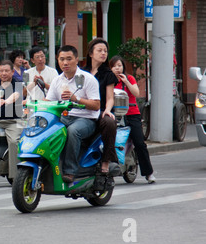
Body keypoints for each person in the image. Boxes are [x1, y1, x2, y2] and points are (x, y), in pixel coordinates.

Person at [46, 45, 100, 183]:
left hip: (86, 119)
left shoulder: (87, 79)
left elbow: (96, 105)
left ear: (77, 60)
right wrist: (29, 103)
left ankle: (70, 171)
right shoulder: (57, 80)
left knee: (72, 131)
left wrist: (77, 99)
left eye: (69, 59)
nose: (65, 63)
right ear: (57, 60)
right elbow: (48, 101)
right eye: (62, 59)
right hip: (64, 117)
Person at [110, 55, 156, 184]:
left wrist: (126, 82)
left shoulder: (129, 78)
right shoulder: (109, 80)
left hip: (132, 114)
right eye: (114, 66)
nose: (117, 68)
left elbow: (136, 93)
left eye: (119, 65)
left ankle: (148, 173)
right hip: (115, 115)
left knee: (140, 143)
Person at [82, 38, 119, 175]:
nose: (103, 53)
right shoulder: (82, 72)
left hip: (101, 110)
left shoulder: (108, 74)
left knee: (109, 122)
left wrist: (107, 111)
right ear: (91, 53)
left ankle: (106, 160)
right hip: (84, 110)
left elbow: (110, 98)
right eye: (99, 50)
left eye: (105, 51)